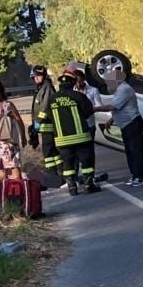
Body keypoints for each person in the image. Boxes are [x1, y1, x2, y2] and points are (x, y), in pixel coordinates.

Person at [51, 68, 102, 196]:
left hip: (62, 139)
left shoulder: (52, 98)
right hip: (81, 137)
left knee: (67, 163)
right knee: (86, 162)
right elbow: (88, 112)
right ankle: (88, 185)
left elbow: (48, 116)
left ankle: (72, 188)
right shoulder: (78, 96)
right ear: (73, 82)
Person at [104, 68, 143, 187]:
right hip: (126, 124)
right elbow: (120, 107)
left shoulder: (124, 89)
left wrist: (93, 109)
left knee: (135, 150)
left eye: (109, 81)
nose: (108, 84)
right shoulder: (119, 90)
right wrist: (112, 119)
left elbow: (112, 106)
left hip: (131, 123)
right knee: (129, 151)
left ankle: (140, 177)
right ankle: (134, 175)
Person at [73, 68, 109, 185]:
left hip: (89, 125)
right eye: (76, 81)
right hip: (76, 126)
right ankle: (75, 177)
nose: (78, 84)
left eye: (80, 81)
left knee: (89, 151)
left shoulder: (93, 90)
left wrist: (88, 109)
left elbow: (99, 105)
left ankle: (90, 176)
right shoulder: (71, 91)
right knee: (76, 152)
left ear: (84, 79)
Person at [29, 65, 62, 176]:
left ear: (44, 76)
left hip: (47, 124)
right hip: (44, 125)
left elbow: (45, 106)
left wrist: (38, 122)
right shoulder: (41, 88)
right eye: (34, 76)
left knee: (47, 150)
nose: (36, 78)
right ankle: (61, 171)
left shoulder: (46, 87)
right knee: (53, 151)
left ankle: (51, 172)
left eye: (38, 75)